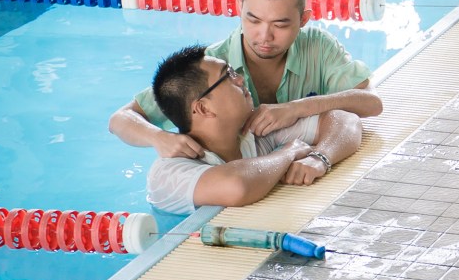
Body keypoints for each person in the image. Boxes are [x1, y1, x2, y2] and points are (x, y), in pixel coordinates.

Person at [109, 0, 382, 159]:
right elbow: (120, 119)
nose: (264, 35)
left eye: (281, 25)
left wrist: (297, 108)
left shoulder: (318, 46)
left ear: (303, 20)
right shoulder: (212, 66)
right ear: (240, 9)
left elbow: (371, 103)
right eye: (253, 19)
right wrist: (158, 138)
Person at [145, 45, 361, 214]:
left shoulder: (253, 132)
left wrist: (320, 158)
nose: (240, 78)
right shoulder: (167, 172)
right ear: (203, 108)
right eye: (227, 75)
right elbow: (237, 185)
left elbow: (345, 120)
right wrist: (289, 152)